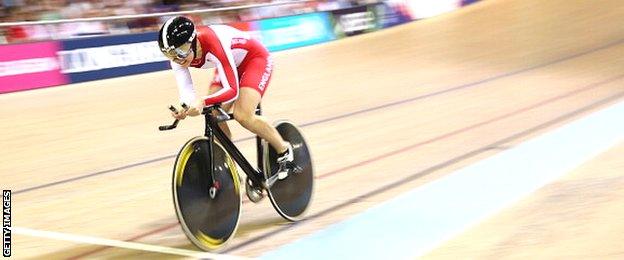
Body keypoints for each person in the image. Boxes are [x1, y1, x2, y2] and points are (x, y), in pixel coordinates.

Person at [157, 16, 293, 168]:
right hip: (231, 64)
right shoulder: (177, 58)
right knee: (214, 116)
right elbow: (187, 91)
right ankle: (231, 169)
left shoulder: (212, 42)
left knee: (243, 115)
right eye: (170, 55)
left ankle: (284, 149)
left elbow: (232, 90)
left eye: (181, 51)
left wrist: (203, 101)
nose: (177, 59)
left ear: (193, 40)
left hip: (255, 60)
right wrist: (185, 107)